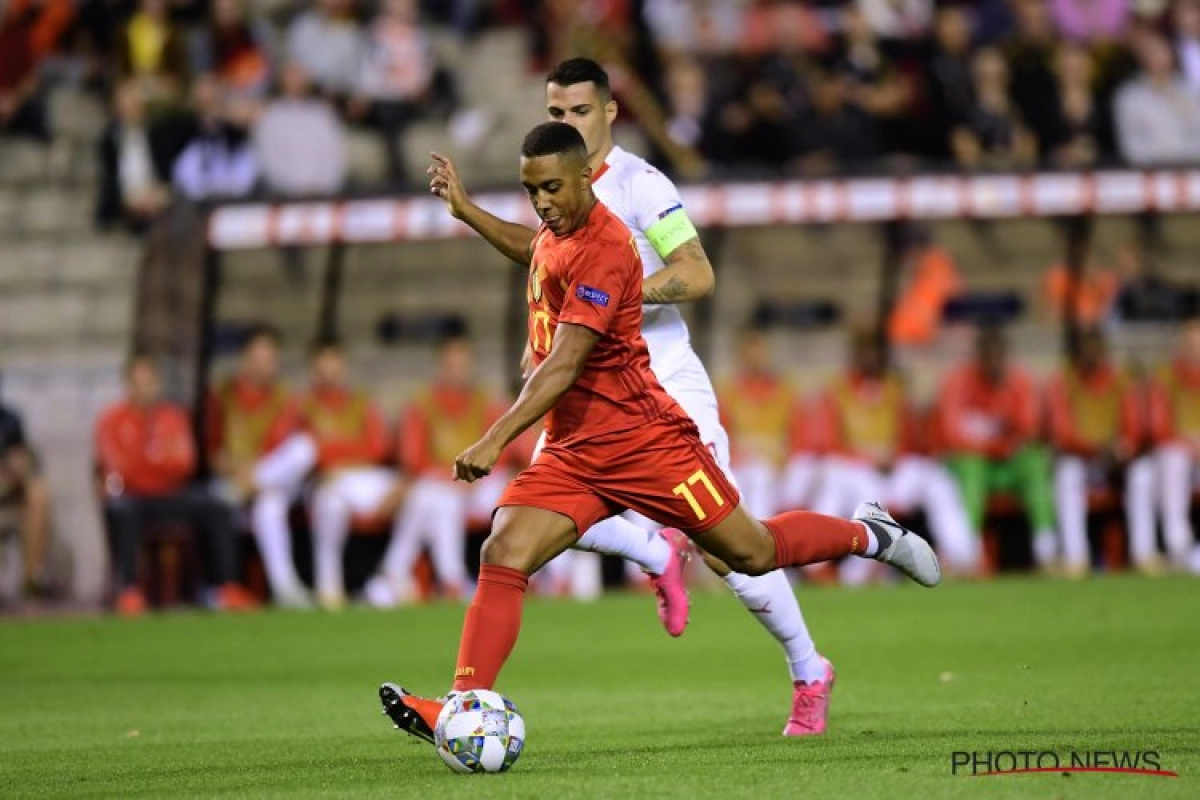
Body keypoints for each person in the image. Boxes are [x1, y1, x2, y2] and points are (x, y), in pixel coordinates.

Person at [378, 122, 940, 747]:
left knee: (747, 553)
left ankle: (870, 534)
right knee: (503, 551)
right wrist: (466, 212)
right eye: (531, 190)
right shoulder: (556, 228)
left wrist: (492, 439)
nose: (541, 203)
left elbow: (565, 364)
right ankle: (460, 705)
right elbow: (532, 249)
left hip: (646, 443)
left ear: (587, 178)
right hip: (575, 449)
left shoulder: (607, 247)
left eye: (552, 189)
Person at [421, 58, 844, 736]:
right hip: (589, 387)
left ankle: (807, 668)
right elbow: (539, 252)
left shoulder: (643, 185)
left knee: (732, 548)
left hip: (663, 378)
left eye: (579, 112)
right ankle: (650, 555)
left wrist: (614, 300)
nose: (566, 123)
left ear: (611, 112)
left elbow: (697, 274)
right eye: (556, 112)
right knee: (521, 533)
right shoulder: (554, 189)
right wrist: (469, 213)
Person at [95, 353, 258, 616]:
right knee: (120, 508)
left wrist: (147, 463)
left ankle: (223, 588)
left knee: (218, 505)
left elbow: (184, 462)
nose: (144, 389)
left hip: (170, 493)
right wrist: (154, 462)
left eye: (149, 382)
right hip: (132, 496)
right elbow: (117, 469)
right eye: (138, 383)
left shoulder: (173, 417)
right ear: (127, 385)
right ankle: (129, 590)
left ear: (158, 384)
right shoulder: (111, 420)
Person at [810, 328, 977, 581]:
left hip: (894, 469)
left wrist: (893, 454)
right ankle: (838, 570)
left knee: (938, 480)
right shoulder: (838, 391)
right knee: (856, 488)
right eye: (866, 350)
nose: (872, 357)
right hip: (855, 470)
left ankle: (961, 558)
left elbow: (915, 440)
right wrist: (866, 457)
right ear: (855, 354)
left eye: (877, 351)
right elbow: (829, 443)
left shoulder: (895, 389)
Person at [361, 334, 502, 607]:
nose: (458, 370)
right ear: (441, 365)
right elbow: (413, 459)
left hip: (483, 485)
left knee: (431, 497)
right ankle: (450, 579)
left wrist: (478, 474)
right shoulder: (423, 404)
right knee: (433, 498)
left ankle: (394, 573)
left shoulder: (486, 402)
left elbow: (510, 450)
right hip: (445, 485)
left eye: (463, 363)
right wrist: (451, 479)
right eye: (452, 363)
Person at [207, 325, 315, 607]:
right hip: (231, 483)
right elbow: (212, 452)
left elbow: (292, 456)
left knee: (304, 448)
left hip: (265, 482)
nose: (265, 366)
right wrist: (237, 471)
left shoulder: (286, 399)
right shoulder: (223, 395)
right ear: (245, 358)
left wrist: (253, 478)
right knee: (270, 503)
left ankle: (284, 589)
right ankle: (284, 588)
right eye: (258, 358)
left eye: (270, 359)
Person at [936, 325, 1057, 568]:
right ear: (978, 356)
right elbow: (951, 435)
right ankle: (967, 554)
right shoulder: (959, 382)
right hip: (973, 465)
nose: (994, 362)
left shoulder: (1018, 382)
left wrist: (1005, 435)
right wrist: (997, 444)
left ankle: (1047, 551)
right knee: (971, 469)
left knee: (1035, 463)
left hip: (1008, 466)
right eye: (988, 356)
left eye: (998, 355)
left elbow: (1030, 431)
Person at [1045, 327, 1156, 576]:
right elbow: (1061, 434)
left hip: (1115, 459)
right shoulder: (1064, 381)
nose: (1091, 355)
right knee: (1067, 475)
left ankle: (1143, 553)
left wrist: (1124, 448)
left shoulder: (1120, 380)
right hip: (1081, 458)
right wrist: (1096, 449)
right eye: (1085, 350)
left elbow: (1134, 426)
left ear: (1104, 351)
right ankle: (1075, 558)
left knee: (1143, 474)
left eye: (1096, 349)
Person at [301, 338, 397, 609]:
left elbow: (377, 448)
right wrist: (332, 460)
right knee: (329, 502)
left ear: (343, 366)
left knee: (414, 492)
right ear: (313, 368)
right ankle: (329, 588)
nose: (329, 371)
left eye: (334, 363)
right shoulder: (302, 405)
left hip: (360, 479)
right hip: (319, 481)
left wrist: (339, 461)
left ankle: (392, 578)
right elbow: (301, 452)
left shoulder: (361, 403)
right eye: (323, 365)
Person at [1147, 318, 1200, 571]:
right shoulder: (1166, 377)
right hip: (1176, 451)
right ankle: (1179, 548)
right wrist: (1189, 443)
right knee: (1172, 461)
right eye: (1191, 344)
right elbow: (1159, 427)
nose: (1196, 350)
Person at [0, 377, 52, 601]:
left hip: (9, 493)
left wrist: (18, 468)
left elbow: (21, 459)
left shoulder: (10, 421)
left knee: (39, 494)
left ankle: (31, 581)